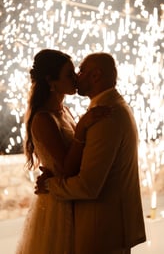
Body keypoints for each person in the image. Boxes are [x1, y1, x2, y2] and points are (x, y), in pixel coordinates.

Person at [36, 52, 146, 254]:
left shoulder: (105, 115)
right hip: (104, 228)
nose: (77, 76)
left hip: (100, 231)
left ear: (95, 75)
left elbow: (88, 186)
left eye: (81, 70)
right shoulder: (111, 108)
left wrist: (49, 184)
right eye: (71, 73)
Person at [16, 49, 111, 254]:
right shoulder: (44, 119)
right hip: (58, 206)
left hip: (70, 197)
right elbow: (67, 168)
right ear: (52, 81)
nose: (76, 77)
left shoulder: (64, 111)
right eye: (69, 74)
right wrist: (83, 126)